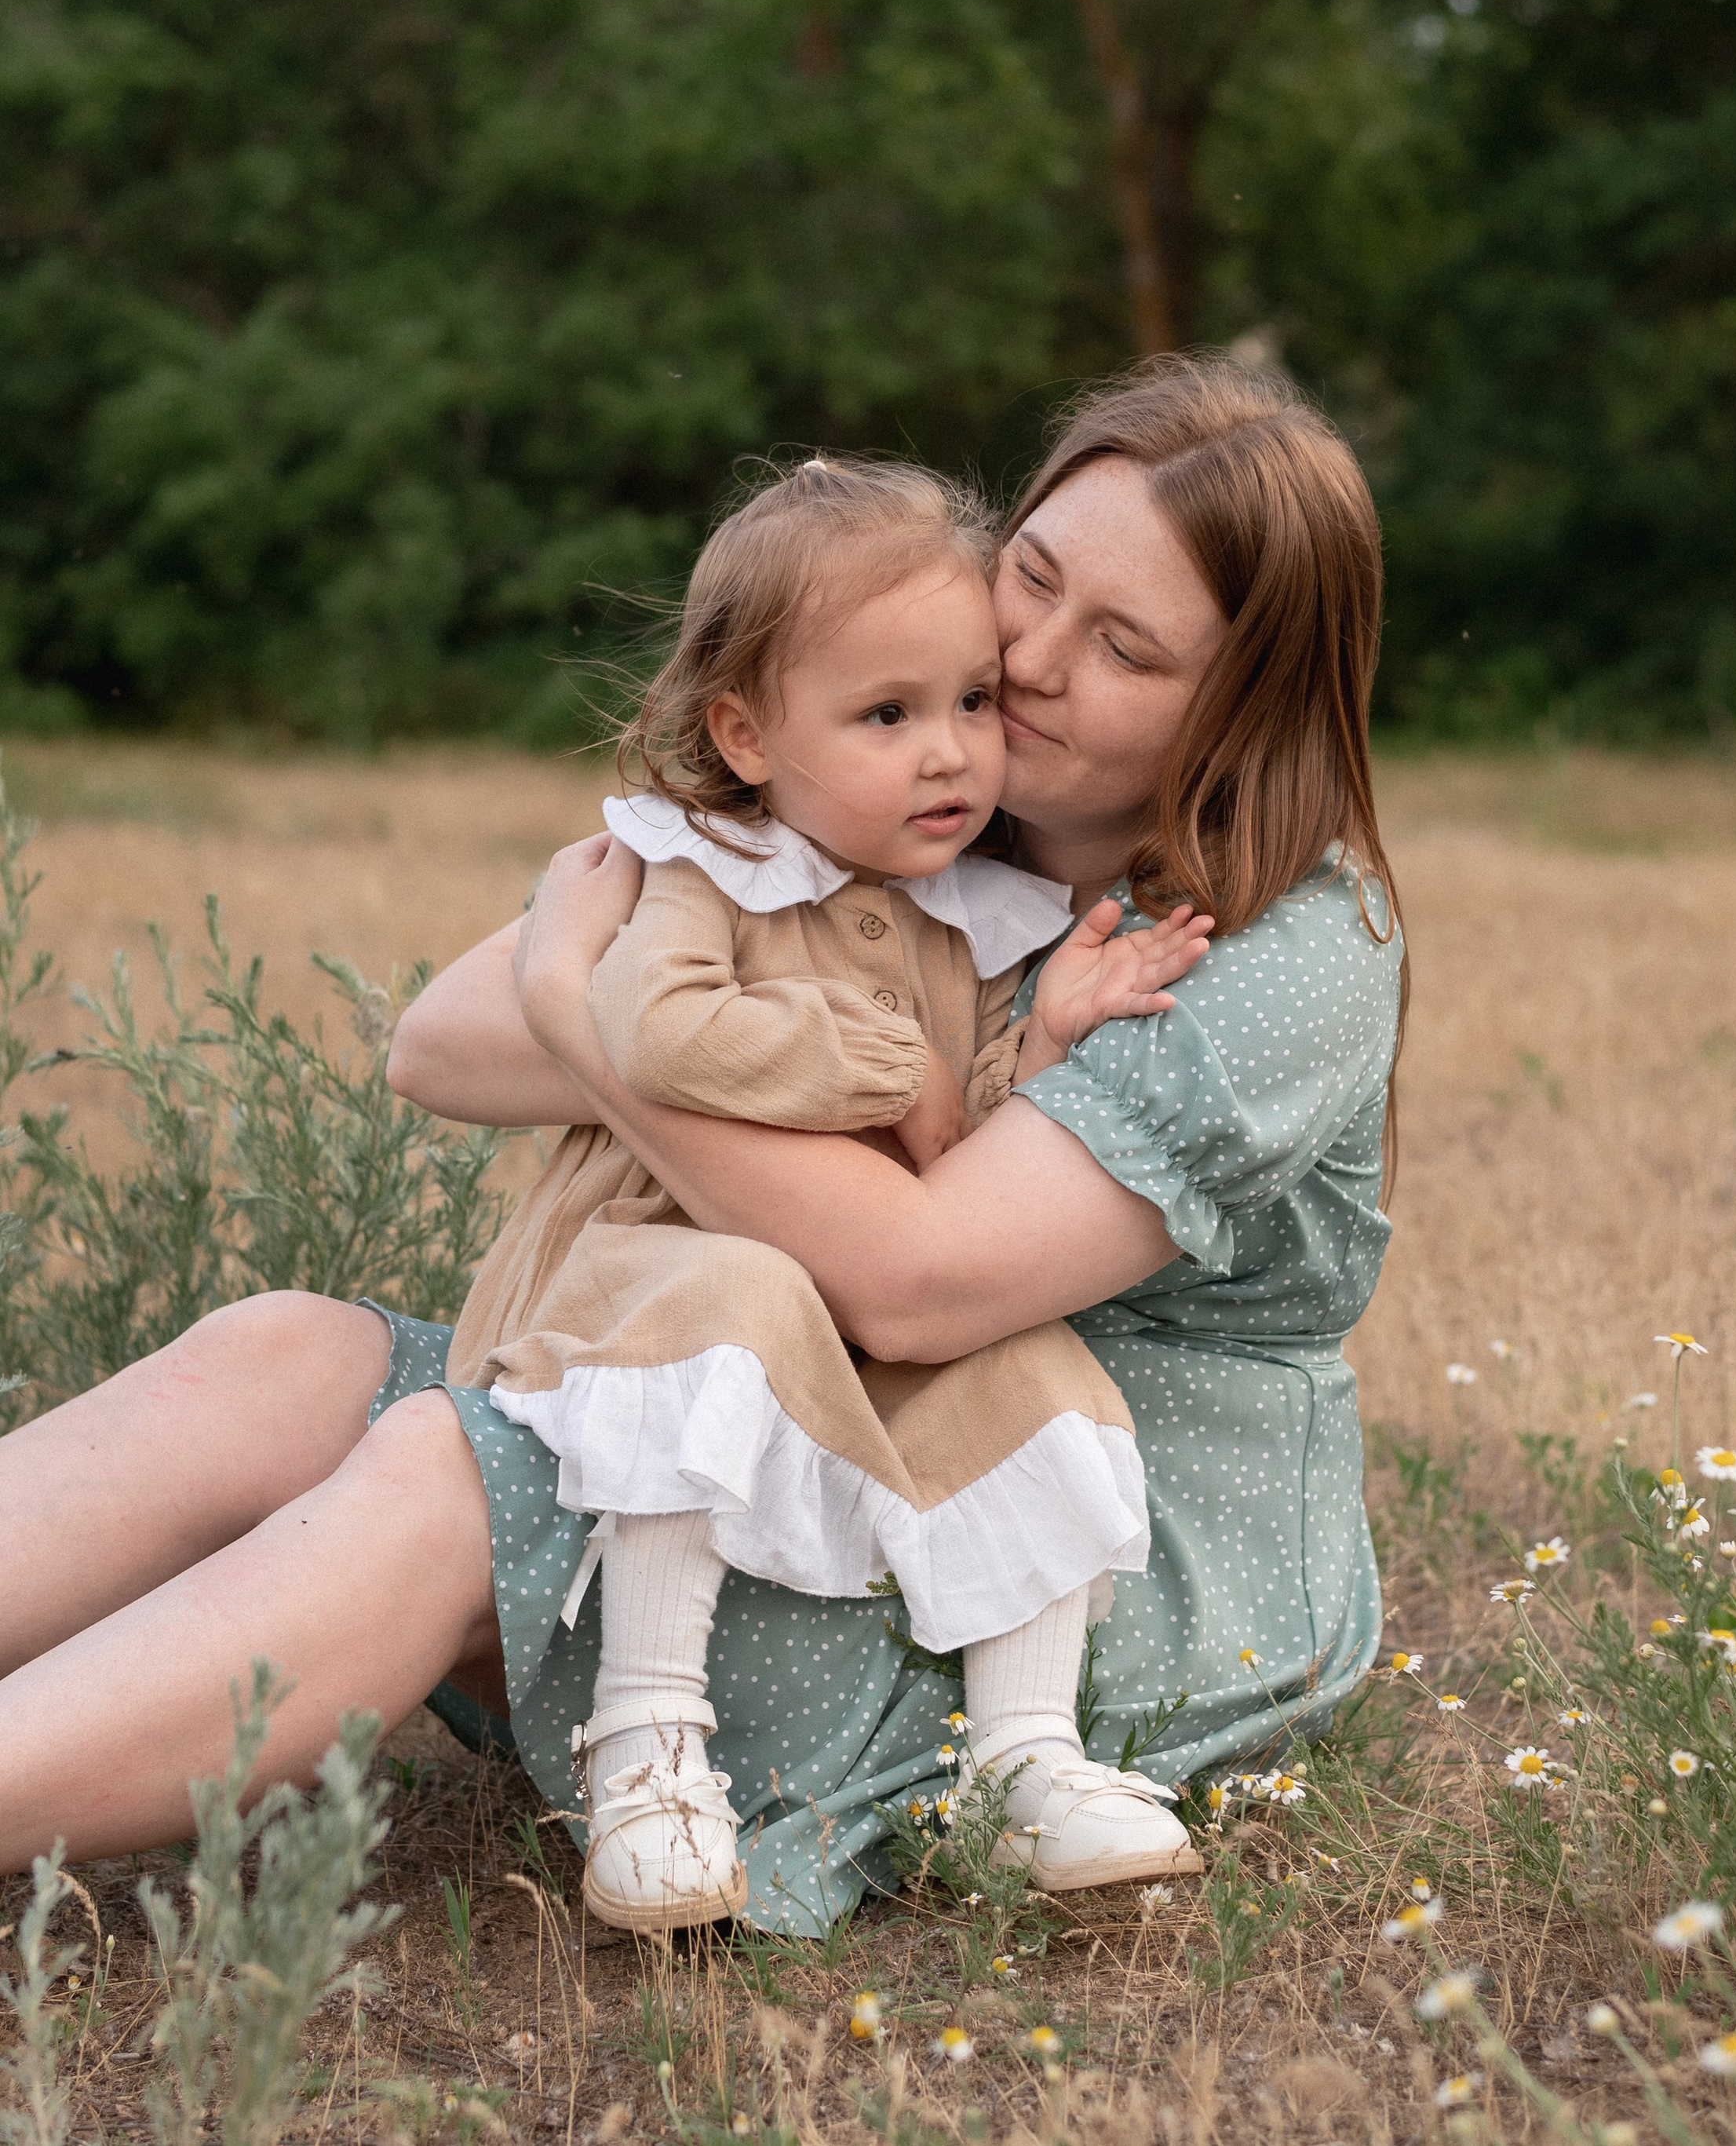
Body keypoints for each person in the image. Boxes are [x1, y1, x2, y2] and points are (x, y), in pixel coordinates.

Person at [0, 356, 1405, 1936]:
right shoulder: (921, 772)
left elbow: (920, 1287)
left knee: (464, 1472)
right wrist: (580, 985)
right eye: (1031, 573)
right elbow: (442, 1041)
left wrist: (593, 1019)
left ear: (1238, 704)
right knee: (283, 1356)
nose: (1025, 657)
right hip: (797, 1407)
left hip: (1064, 1542)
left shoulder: (1280, 944)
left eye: (1123, 647)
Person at [455, 450, 1213, 1929]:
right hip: (658, 1265)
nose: (951, 755)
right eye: (887, 716)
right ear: (746, 734)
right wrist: (875, 1061)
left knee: (1036, 1377)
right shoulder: (705, 868)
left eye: (970, 704)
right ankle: (650, 1741)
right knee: (735, 1294)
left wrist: (1040, 1034)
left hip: (846, 1293)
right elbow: (656, 1030)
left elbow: (956, 1146)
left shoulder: (958, 910)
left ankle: (1024, 1760)